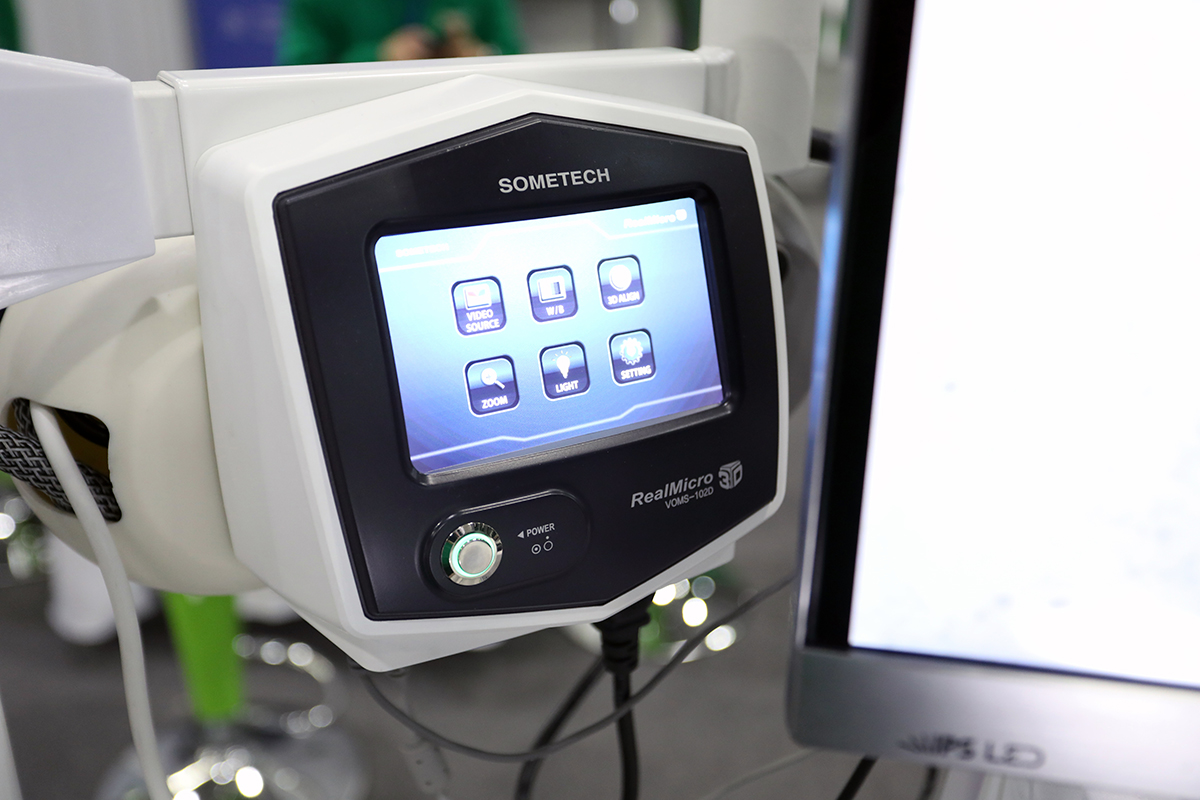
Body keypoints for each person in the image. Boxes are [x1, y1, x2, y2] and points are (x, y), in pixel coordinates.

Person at [278, 0, 521, 65]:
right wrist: (378, 56)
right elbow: (299, 72)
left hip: (465, 121)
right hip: (359, 127)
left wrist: (478, 55)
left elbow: (516, 57)